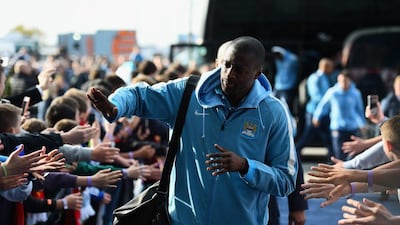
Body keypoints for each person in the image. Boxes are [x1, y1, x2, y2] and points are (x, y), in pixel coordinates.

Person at [88, 36, 298, 225]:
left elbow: (286, 180)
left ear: (257, 73)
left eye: (240, 69)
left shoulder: (273, 113)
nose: (230, 74)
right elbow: (140, 95)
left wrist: (246, 167)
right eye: (226, 65)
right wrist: (116, 106)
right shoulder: (189, 93)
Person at [312, 70, 366, 160]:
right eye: (340, 81)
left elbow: (359, 110)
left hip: (352, 128)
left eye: (345, 81)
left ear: (350, 81)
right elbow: (323, 105)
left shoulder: (355, 93)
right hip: (338, 128)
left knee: (352, 155)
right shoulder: (332, 92)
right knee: (339, 154)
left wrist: (362, 124)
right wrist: (317, 117)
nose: (342, 83)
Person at [296, 58, 335, 158]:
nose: (332, 69)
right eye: (330, 66)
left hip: (324, 112)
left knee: (327, 137)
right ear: (325, 66)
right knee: (308, 137)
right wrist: (328, 102)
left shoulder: (325, 77)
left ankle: (332, 157)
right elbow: (316, 96)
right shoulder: (315, 78)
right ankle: (294, 154)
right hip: (314, 112)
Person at [271, 46, 299, 113]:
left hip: (288, 86)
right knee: (272, 102)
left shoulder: (293, 59)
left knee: (286, 106)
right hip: (278, 86)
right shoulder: (277, 60)